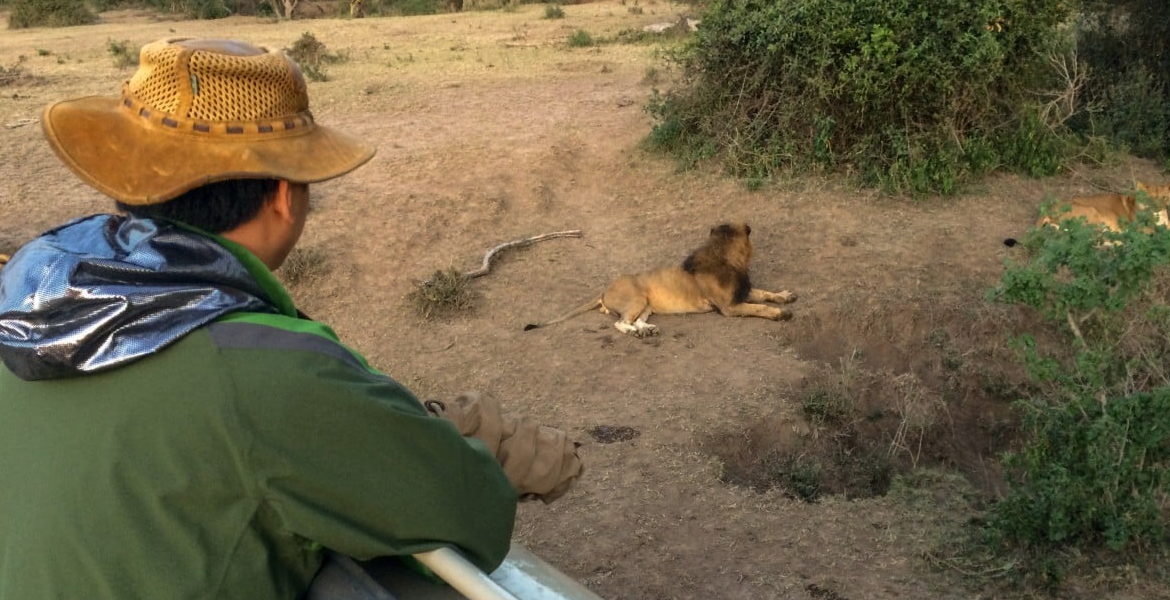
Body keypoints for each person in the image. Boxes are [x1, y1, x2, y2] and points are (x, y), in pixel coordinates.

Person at [0, 37, 582, 600]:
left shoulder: (26, 298)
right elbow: (468, 513)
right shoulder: (263, 368)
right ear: (283, 195)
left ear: (131, 179)